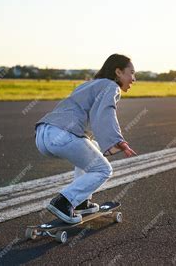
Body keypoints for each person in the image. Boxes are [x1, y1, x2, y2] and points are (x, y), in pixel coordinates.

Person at [35, 54, 137, 223]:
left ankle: (81, 201)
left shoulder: (89, 84)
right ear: (118, 72)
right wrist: (118, 140)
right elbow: (106, 113)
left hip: (43, 134)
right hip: (63, 135)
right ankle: (64, 202)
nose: (134, 79)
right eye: (131, 73)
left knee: (93, 146)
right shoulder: (111, 86)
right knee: (104, 170)